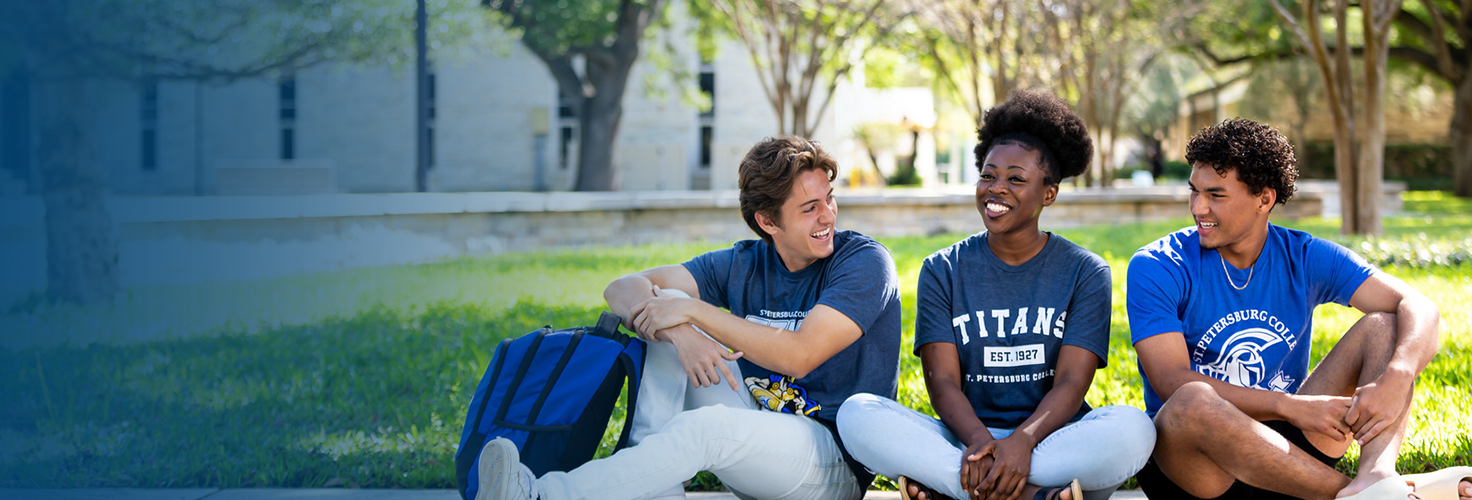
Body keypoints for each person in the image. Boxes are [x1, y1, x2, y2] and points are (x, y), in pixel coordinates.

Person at [473, 136, 902, 500]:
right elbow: (622, 288)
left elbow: (800, 356)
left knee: (704, 415)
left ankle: (541, 496)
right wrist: (681, 331)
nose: (828, 215)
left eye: (829, 198)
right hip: (755, 436)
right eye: (810, 208)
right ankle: (653, 485)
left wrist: (694, 312)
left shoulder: (862, 261)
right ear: (767, 221)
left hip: (829, 464)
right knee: (665, 300)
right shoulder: (746, 262)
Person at [836, 89, 1154, 500]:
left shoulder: (1084, 271)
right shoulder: (943, 269)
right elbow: (942, 380)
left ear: (1049, 193)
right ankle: (1034, 496)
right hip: (964, 439)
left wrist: (1021, 443)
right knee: (858, 414)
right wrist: (979, 444)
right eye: (988, 175)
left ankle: (956, 488)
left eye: (1016, 179)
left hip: (1052, 440)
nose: (995, 189)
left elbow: (1073, 382)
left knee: (1135, 430)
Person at [1127, 118, 1468, 500]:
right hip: (1198, 469)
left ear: (1265, 199)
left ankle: (1376, 476)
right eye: (1194, 191)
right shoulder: (1158, 264)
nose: (1198, 207)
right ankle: (1385, 494)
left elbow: (1419, 307)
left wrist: (1397, 376)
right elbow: (1171, 381)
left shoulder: (1302, 256)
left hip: (1288, 454)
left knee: (1384, 327)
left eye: (1216, 195)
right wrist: (1290, 406)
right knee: (1191, 400)